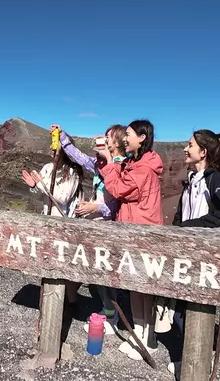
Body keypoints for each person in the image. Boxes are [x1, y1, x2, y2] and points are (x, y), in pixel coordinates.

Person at [167, 129, 220, 377]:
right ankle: (190, 358)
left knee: (194, 310)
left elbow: (217, 217)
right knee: (180, 309)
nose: (185, 149)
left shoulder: (214, 179)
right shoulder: (192, 180)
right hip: (187, 252)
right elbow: (180, 214)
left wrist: (184, 229)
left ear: (203, 151)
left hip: (204, 254)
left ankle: (195, 362)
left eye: (189, 145)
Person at [49, 123, 128, 335]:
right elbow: (79, 157)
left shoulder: (122, 166)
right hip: (96, 224)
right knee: (98, 273)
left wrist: (96, 207)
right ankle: (108, 310)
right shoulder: (99, 163)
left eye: (108, 137)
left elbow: (117, 201)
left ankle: (111, 315)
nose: (102, 138)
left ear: (118, 143)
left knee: (105, 273)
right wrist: (63, 136)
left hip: (109, 225)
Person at [96, 119, 164, 360]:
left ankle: (146, 339)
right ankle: (141, 334)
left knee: (141, 289)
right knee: (137, 289)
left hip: (140, 233)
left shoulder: (142, 170)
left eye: (129, 134)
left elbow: (118, 189)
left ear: (142, 138)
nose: (125, 138)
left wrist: (109, 162)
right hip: (136, 231)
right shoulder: (137, 164)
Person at [21, 146, 85, 305]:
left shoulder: (72, 172)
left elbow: (62, 198)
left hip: (64, 224)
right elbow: (39, 195)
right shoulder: (47, 168)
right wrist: (33, 187)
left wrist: (40, 183)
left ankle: (71, 302)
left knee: (64, 264)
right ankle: (51, 302)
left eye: (55, 148)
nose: (51, 150)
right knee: (49, 260)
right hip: (48, 221)